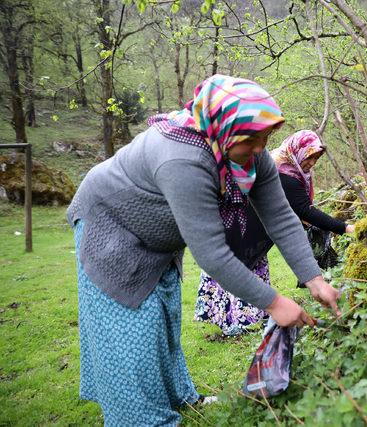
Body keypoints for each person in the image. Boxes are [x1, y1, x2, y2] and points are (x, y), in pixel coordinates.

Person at [67, 75, 340, 426]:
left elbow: (282, 217)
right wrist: (274, 302)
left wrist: (314, 279)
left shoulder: (246, 154)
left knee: (162, 318)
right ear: (225, 127)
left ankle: (179, 396)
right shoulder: (184, 160)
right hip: (110, 225)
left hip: (157, 238)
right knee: (129, 330)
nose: (260, 148)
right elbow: (211, 253)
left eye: (266, 138)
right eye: (251, 139)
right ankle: (141, 418)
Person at [194, 130, 355, 336]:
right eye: (309, 157)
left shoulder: (288, 171)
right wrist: (345, 228)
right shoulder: (284, 175)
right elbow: (304, 210)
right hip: (243, 231)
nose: (312, 163)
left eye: (316, 158)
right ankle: (237, 322)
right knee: (237, 269)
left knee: (251, 270)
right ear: (297, 151)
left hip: (255, 232)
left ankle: (247, 319)